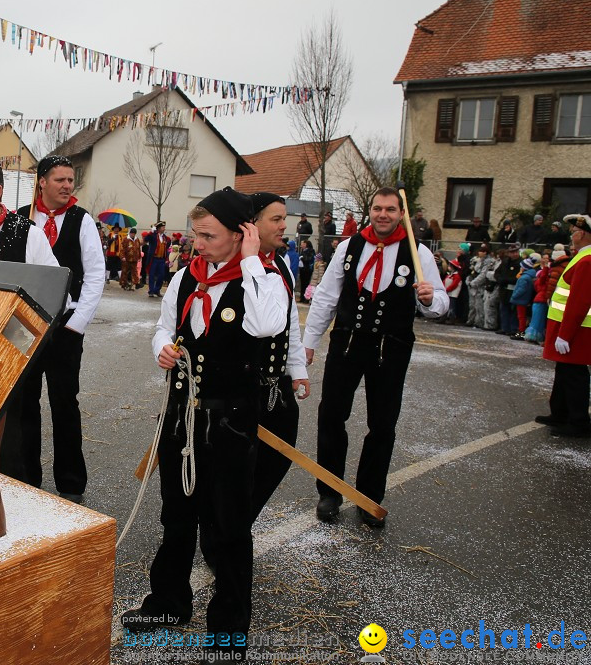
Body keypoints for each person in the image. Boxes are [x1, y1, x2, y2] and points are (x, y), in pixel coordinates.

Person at [121, 187, 287, 659]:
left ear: (242, 235)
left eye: (209, 235)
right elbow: (161, 326)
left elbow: (266, 325)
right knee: (176, 517)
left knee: (227, 529)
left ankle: (228, 631)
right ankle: (169, 602)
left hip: (231, 425)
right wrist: (162, 350)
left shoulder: (264, 280)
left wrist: (253, 261)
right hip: (181, 421)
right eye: (196, 234)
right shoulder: (184, 280)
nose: (199, 244)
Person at [304, 187, 448, 527]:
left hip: (392, 348)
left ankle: (369, 497)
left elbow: (439, 304)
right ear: (370, 210)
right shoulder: (349, 247)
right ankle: (330, 491)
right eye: (378, 208)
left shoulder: (418, 253)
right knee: (331, 415)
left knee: (382, 425)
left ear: (401, 214)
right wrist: (308, 342)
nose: (383, 214)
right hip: (347, 343)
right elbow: (326, 297)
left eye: (390, 209)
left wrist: (428, 299)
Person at [14, 155, 105, 503]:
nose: (67, 186)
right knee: (24, 403)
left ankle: (70, 482)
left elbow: (96, 273)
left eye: (71, 180)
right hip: (25, 322)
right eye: (60, 180)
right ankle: (26, 477)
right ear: (42, 182)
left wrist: (78, 323)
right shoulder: (20, 218)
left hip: (66, 326)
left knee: (65, 402)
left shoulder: (82, 222)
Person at [248, 193, 310, 521]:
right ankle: (227, 534)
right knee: (240, 464)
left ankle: (239, 524)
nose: (284, 226)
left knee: (278, 457)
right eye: (276, 219)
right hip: (243, 388)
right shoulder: (236, 267)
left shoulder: (282, 264)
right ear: (253, 223)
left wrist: (297, 368)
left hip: (277, 383)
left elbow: (290, 324)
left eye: (284, 219)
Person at [536, 214, 591, 438]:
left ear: (583, 233)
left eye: (574, 231)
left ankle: (578, 421)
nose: (571, 234)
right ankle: (559, 413)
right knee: (564, 372)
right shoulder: (582, 257)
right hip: (571, 329)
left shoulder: (587, 260)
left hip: (577, 331)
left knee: (574, 375)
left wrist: (565, 335)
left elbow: (579, 302)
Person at [493, 244, 522, 336]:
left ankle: (513, 329)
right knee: (504, 309)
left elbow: (518, 277)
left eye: (516, 252)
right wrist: (499, 279)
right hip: (504, 289)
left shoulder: (520, 263)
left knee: (513, 311)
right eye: (512, 252)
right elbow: (497, 273)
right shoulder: (505, 262)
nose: (515, 254)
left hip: (513, 289)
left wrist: (506, 280)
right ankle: (504, 327)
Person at [145, 221, 172, 297]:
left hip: (161, 259)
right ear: (159, 228)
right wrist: (151, 232)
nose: (164, 228)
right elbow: (146, 239)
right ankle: (151, 291)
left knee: (161, 275)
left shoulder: (166, 238)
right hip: (154, 259)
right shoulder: (153, 236)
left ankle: (157, 290)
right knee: (152, 275)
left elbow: (168, 245)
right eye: (163, 227)